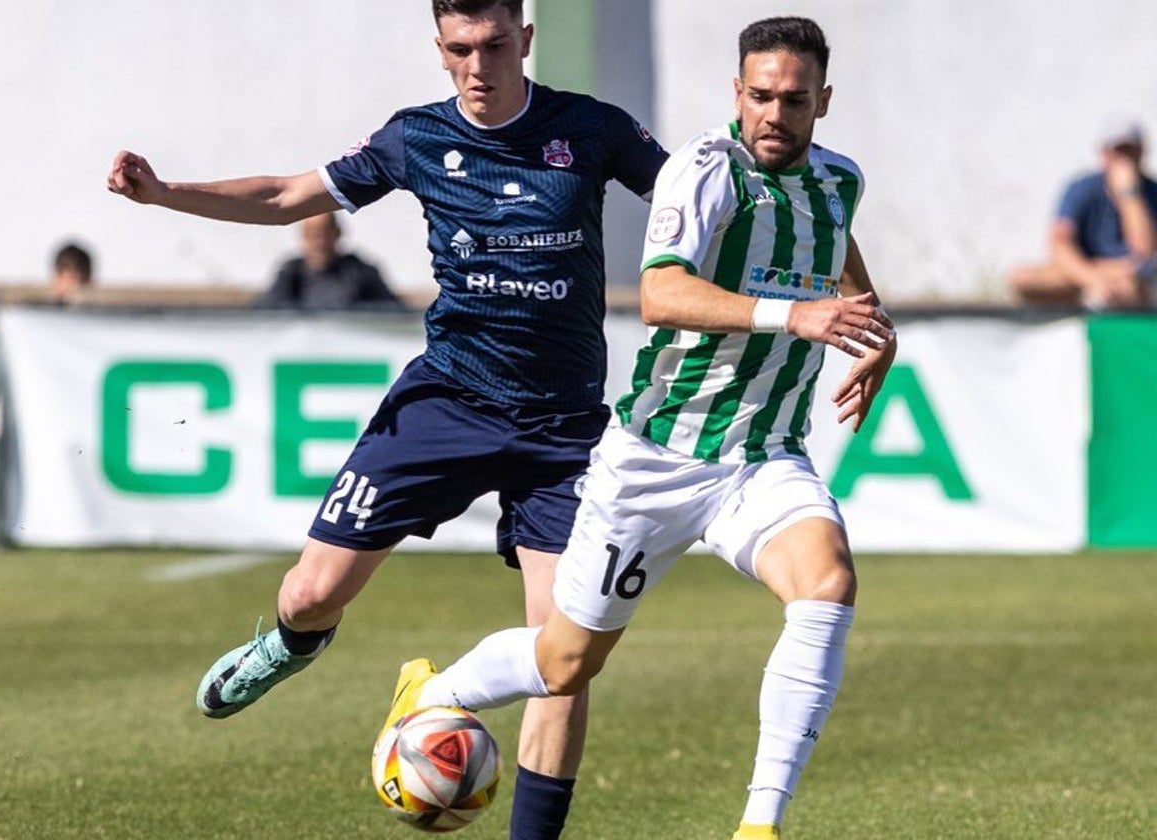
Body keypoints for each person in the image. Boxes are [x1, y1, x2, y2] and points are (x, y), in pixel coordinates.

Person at [105, 2, 667, 838]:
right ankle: (293, 645)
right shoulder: (416, 139)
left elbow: (706, 197)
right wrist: (163, 193)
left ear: (527, 38)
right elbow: (290, 194)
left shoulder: (592, 130)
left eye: (495, 44)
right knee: (309, 593)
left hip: (563, 431)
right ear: (440, 49)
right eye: (460, 49)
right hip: (447, 402)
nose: (479, 65)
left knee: (562, 657)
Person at [382, 16, 896, 840]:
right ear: (737, 93)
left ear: (821, 102)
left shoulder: (839, 182)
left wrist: (876, 329)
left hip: (759, 458)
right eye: (759, 96)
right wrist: (796, 315)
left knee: (827, 584)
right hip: (657, 458)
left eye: (793, 100)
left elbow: (833, 248)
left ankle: (759, 827)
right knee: (564, 662)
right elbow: (660, 293)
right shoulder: (704, 171)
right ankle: (434, 692)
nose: (774, 113)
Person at [1009, 117, 1157, 309]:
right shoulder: (1081, 189)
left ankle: (1098, 300)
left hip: (1132, 278)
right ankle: (1090, 297)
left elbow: (1143, 253)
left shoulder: (1151, 192)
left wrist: (1129, 196)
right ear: (1104, 153)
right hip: (1086, 272)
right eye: (1117, 150)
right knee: (1023, 278)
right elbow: (1059, 243)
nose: (1122, 158)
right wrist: (1092, 278)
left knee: (1129, 290)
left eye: (1129, 150)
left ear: (1141, 152)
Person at [257, 211, 403, 309]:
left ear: (338, 234)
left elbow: (392, 312)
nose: (320, 242)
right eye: (314, 235)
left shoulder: (361, 273)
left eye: (326, 234)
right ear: (304, 237)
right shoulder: (290, 273)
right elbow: (267, 311)